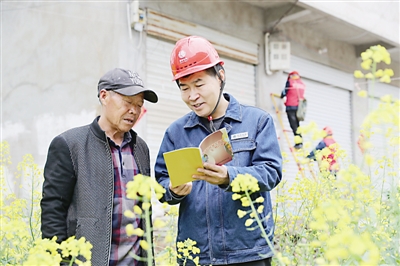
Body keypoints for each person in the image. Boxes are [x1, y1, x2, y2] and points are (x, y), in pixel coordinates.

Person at [154, 36, 282, 266]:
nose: (192, 96)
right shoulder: (176, 133)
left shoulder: (256, 121)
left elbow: (271, 172)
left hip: (248, 254)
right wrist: (174, 191)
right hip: (196, 255)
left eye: (199, 84)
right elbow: (161, 182)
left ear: (220, 75)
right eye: (185, 88)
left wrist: (229, 177)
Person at [40, 68, 158, 266]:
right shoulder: (69, 144)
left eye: (139, 105)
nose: (134, 111)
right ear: (104, 96)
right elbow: (53, 210)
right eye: (128, 102)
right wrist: (59, 260)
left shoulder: (141, 148)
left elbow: (144, 214)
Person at [280, 71, 305, 149]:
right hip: (299, 107)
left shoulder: (290, 82)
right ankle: (300, 141)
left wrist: (282, 96)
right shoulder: (302, 84)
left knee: (293, 125)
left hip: (291, 106)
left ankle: (298, 143)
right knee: (297, 125)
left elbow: (284, 92)